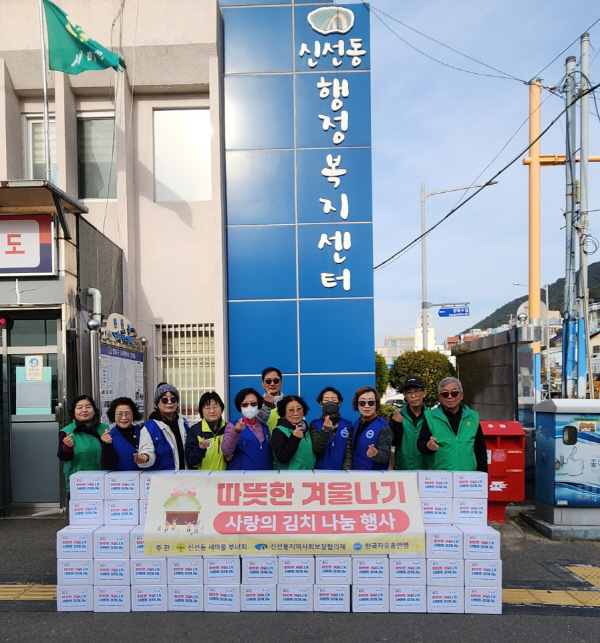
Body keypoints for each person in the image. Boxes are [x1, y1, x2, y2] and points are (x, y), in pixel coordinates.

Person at [418, 377, 488, 472]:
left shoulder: (473, 417)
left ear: (461, 395)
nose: (450, 397)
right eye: (445, 394)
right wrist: (428, 447)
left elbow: (480, 449)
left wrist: (483, 474)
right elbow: (421, 444)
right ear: (440, 397)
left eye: (454, 393)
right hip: (441, 476)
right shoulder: (430, 417)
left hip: (469, 475)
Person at [57, 395, 108, 495]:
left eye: (88, 407)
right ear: (73, 412)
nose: (84, 410)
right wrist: (67, 447)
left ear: (94, 410)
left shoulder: (105, 429)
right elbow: (62, 457)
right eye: (79, 407)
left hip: (102, 482)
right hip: (79, 484)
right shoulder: (67, 431)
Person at [137, 383, 190, 470]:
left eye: (173, 399)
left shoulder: (183, 421)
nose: (169, 402)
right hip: (163, 476)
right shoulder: (149, 427)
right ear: (157, 403)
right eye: (164, 400)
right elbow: (147, 451)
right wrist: (145, 458)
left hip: (184, 475)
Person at [343, 386, 392, 470]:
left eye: (371, 402)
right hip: (357, 475)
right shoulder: (357, 424)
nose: (366, 406)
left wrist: (376, 454)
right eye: (362, 403)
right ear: (357, 404)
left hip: (374, 476)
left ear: (376, 404)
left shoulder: (384, 426)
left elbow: (386, 456)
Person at [222, 388, 272, 470]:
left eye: (253, 404)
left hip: (264, 475)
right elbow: (226, 450)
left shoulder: (265, 427)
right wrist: (235, 432)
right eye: (245, 404)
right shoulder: (232, 426)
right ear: (239, 406)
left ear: (258, 405)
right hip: (241, 475)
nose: (249, 407)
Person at [389, 376, 432, 471]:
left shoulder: (432, 417)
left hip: (426, 471)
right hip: (402, 470)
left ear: (424, 393)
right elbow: (392, 442)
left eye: (416, 391)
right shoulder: (396, 415)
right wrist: (396, 425)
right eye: (409, 392)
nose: (413, 396)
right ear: (405, 395)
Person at [309, 386, 352, 470]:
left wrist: (346, 473)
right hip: (320, 473)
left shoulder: (348, 425)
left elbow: (349, 454)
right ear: (321, 403)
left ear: (339, 403)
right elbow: (317, 450)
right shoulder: (315, 424)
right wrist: (324, 430)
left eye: (333, 399)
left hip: (342, 474)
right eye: (326, 400)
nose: (330, 402)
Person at [100, 397, 147, 470]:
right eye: (119, 414)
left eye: (128, 413)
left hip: (146, 475)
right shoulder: (110, 436)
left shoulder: (142, 431)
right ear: (113, 415)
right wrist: (107, 445)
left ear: (133, 414)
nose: (124, 417)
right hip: (122, 477)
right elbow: (107, 466)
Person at [185, 392, 228, 470]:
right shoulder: (195, 431)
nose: (212, 411)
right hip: (202, 477)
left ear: (221, 408)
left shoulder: (228, 429)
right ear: (201, 411)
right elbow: (190, 460)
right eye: (207, 408)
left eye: (215, 407)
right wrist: (200, 449)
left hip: (224, 477)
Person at [272, 395, 316, 470]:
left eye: (299, 409)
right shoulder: (279, 432)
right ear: (283, 412)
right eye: (291, 410)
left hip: (309, 475)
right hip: (288, 476)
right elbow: (282, 458)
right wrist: (294, 438)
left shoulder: (307, 429)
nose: (296, 413)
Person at [257, 366, 284, 431]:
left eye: (276, 381)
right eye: (268, 381)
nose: (272, 384)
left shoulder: (290, 403)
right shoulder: (255, 404)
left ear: (281, 382)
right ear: (262, 383)